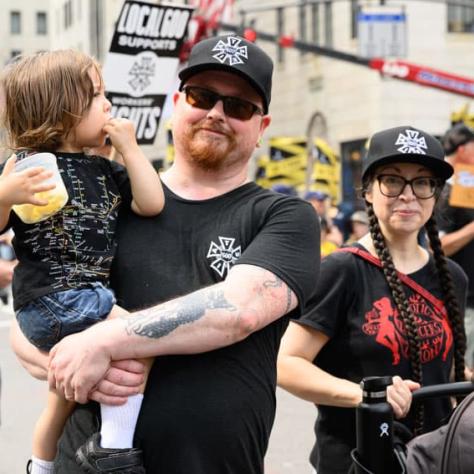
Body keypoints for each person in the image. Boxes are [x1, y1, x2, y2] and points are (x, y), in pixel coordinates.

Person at [10, 35, 320, 474]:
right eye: (202, 97)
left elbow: (239, 311)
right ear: (177, 103)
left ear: (261, 127)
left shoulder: (285, 216)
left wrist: (100, 343)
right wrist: (63, 362)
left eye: (238, 106)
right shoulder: (112, 195)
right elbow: (34, 304)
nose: (216, 113)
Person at [0, 49, 164, 474]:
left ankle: (40, 465)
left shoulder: (104, 169)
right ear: (59, 110)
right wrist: (5, 196)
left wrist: (130, 150)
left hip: (84, 299)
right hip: (53, 298)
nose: (108, 104)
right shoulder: (24, 168)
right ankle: (114, 449)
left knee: (60, 400)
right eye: (95, 96)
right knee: (141, 336)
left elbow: (151, 203)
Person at [277, 125, 468, 474]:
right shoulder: (341, 269)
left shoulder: (451, 276)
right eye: (392, 181)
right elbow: (286, 364)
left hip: (434, 460)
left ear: (435, 194)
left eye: (422, 182)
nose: (407, 195)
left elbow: (444, 370)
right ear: (368, 191)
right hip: (356, 461)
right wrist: (366, 396)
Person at [439, 123, 474, 369]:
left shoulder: (466, 186)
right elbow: (438, 246)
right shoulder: (444, 189)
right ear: (462, 149)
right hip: (462, 302)